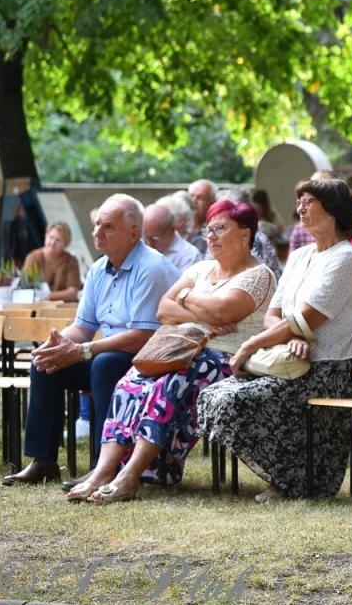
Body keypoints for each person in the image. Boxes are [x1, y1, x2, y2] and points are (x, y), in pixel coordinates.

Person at [68, 199, 277, 502]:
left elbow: (223, 311)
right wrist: (200, 310)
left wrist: (186, 297)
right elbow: (164, 310)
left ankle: (130, 476)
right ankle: (104, 470)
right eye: (209, 229)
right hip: (183, 351)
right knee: (130, 382)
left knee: (169, 384)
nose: (211, 236)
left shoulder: (259, 275)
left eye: (220, 228)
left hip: (227, 360)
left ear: (245, 234)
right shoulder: (201, 269)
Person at [197, 177, 352, 501]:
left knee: (236, 401)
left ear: (332, 209)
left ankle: (291, 482)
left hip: (325, 371)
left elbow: (305, 319)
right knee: (214, 395)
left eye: (308, 201)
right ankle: (288, 477)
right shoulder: (300, 255)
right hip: (290, 360)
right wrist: (289, 339)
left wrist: (250, 345)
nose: (299, 206)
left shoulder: (345, 258)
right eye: (299, 199)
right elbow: (274, 314)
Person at [3, 195, 179, 487]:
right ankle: (43, 461)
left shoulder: (152, 267)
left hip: (154, 360)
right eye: (97, 225)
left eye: (108, 227)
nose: (97, 233)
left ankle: (103, 465)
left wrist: (84, 350)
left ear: (134, 233)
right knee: (45, 364)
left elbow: (144, 336)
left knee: (104, 364)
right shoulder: (99, 269)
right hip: (111, 353)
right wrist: (57, 344)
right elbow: (83, 327)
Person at [21, 221, 82, 303]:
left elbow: (73, 292)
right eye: (51, 237)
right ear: (45, 236)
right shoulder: (33, 257)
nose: (53, 243)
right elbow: (24, 286)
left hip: (63, 307)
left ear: (66, 243)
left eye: (58, 240)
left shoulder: (71, 261)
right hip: (36, 306)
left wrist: (48, 295)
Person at [144, 201, 201, 271]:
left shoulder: (189, 256)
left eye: (155, 238)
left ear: (171, 229)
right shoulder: (140, 246)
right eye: (145, 238)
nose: (149, 244)